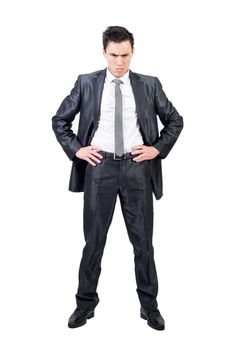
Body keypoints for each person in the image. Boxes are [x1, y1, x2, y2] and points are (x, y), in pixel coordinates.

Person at [52, 25, 183, 331]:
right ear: (104, 52)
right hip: (101, 169)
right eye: (114, 55)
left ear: (132, 51)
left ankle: (149, 307)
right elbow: (60, 120)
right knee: (94, 242)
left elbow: (175, 120)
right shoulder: (87, 83)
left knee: (143, 244)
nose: (120, 62)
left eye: (125, 54)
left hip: (137, 169)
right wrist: (77, 149)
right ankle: (85, 305)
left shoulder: (149, 84)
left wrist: (156, 149)